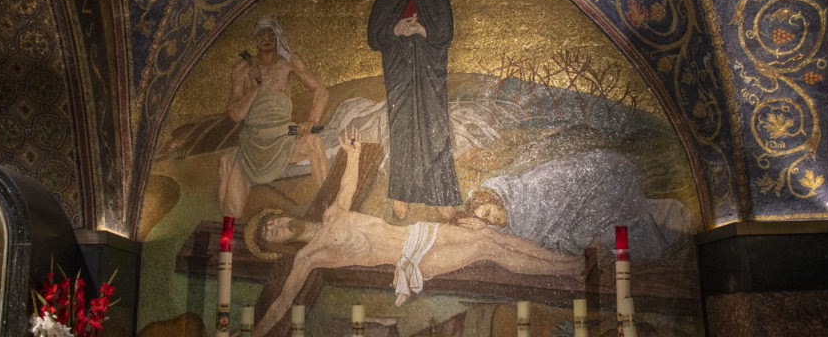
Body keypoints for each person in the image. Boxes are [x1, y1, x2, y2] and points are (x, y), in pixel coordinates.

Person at [241, 128, 585, 336]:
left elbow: (348, 181)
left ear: (281, 215)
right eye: (271, 234)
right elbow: (283, 301)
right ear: (279, 246)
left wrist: (353, 154)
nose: (276, 227)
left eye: (272, 222)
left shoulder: (333, 212)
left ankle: (569, 265)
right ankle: (569, 268)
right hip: (413, 261)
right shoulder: (308, 256)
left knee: (489, 236)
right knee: (488, 249)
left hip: (419, 234)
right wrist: (255, 332)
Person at [367, 0, 461, 220]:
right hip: (399, 69)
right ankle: (401, 194)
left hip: (430, 69)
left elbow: (445, 32)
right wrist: (396, 29)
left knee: (435, 125)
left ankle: (442, 195)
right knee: (402, 127)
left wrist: (422, 30)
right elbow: (374, 36)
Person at [457, 150, 692, 260]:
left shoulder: (527, 192)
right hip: (591, 195)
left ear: (496, 200)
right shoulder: (513, 220)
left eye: (489, 212)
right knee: (590, 235)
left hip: (606, 177)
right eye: (487, 221)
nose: (493, 219)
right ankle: (665, 214)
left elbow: (546, 218)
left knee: (590, 235)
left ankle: (662, 226)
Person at [218, 17, 329, 219]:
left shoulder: (289, 62)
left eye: (271, 34)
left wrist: (312, 121)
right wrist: (254, 90)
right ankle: (226, 238)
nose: (267, 38)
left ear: (278, 37)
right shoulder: (242, 69)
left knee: (314, 142)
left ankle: (329, 210)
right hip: (253, 142)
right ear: (254, 39)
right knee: (232, 211)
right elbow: (235, 114)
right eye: (261, 34)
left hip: (284, 135)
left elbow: (321, 90)